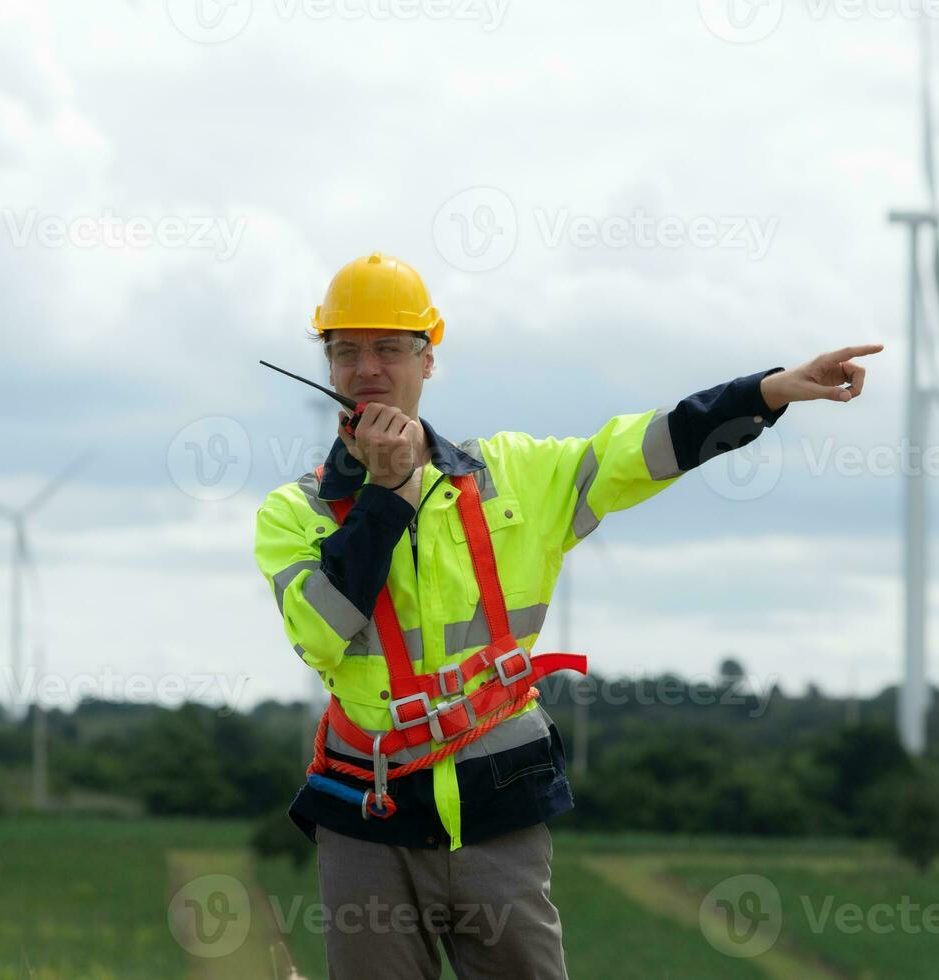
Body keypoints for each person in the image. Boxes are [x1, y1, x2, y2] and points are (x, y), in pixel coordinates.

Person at [253, 252, 883, 979]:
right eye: (347, 351)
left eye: (390, 348)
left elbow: (644, 448)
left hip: (500, 807)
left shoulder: (516, 475)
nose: (368, 367)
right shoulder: (291, 513)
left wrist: (766, 392)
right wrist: (387, 496)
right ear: (328, 367)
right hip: (369, 815)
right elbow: (317, 631)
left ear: (428, 361)